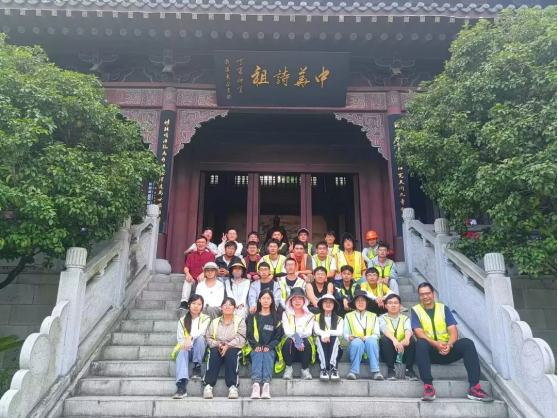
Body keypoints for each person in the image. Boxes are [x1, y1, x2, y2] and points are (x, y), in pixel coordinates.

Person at [412, 283, 494, 403]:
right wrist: (436, 344)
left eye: (427, 293)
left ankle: (474, 388)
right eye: (422, 294)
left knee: (467, 343)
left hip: (447, 350)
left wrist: (449, 345)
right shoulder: (416, 310)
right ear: (419, 296)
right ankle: (428, 387)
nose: (425, 297)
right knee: (420, 343)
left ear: (433, 294)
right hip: (429, 353)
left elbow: (453, 331)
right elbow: (418, 332)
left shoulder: (443, 308)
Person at [203, 298, 247, 400]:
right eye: (225, 304)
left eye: (230, 305)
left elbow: (241, 338)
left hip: (233, 347)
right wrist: (218, 344)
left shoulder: (240, 321)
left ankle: (232, 386)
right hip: (217, 346)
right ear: (221, 307)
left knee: (232, 354)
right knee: (213, 353)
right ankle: (208, 385)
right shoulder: (215, 322)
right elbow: (208, 337)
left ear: (234, 308)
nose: (227, 307)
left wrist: (228, 346)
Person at [246, 290, 284, 400]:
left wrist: (269, 346)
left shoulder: (276, 318)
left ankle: (266, 385)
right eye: (263, 298)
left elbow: (278, 337)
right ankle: (256, 385)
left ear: (272, 301)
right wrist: (256, 345)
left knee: (267, 354)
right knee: (258, 353)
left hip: (270, 349)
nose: (266, 301)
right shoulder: (253, 317)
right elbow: (249, 334)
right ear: (259, 300)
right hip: (255, 348)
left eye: (268, 298)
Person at [172, 295, 211, 399]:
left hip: (199, 349)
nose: (196, 306)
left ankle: (197, 366)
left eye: (199, 304)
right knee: (182, 352)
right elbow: (180, 339)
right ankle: (181, 385)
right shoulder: (182, 320)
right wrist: (185, 345)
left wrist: (190, 337)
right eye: (193, 303)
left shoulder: (206, 318)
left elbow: (202, 331)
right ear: (189, 304)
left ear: (202, 306)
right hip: (187, 348)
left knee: (200, 339)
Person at [344, 290, 383, 381]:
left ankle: (376, 371)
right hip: (354, 350)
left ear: (367, 303)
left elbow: (377, 335)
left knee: (371, 340)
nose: (360, 302)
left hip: (370, 352)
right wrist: (349, 337)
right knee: (357, 342)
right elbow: (344, 334)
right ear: (354, 303)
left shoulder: (373, 316)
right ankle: (353, 372)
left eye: (363, 300)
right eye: (358, 300)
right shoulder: (348, 316)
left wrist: (366, 338)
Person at [379, 294, 419, 381]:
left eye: (396, 303)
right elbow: (384, 329)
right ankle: (391, 369)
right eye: (390, 303)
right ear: (386, 306)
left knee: (411, 340)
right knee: (385, 340)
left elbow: (408, 329)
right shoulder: (382, 318)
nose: (393, 305)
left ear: (400, 306)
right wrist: (395, 341)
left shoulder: (405, 318)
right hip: (388, 351)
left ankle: (409, 369)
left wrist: (406, 339)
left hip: (402, 350)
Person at [280, 288, 316, 381]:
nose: (297, 301)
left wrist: (300, 340)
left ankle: (305, 370)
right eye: (294, 299)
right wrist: (297, 339)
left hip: (304, 345)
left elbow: (308, 331)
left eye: (300, 298)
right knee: (288, 342)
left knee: (306, 341)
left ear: (304, 300)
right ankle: (288, 368)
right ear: (290, 301)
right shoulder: (286, 314)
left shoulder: (310, 315)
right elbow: (287, 330)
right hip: (291, 344)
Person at [314, 294, 344, 381]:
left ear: (334, 305)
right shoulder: (316, 317)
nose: (328, 304)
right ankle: (323, 369)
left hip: (336, 349)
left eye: (331, 302)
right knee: (319, 338)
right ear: (321, 304)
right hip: (320, 348)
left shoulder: (339, 319)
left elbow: (339, 332)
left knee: (334, 338)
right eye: (325, 302)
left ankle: (334, 368)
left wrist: (328, 333)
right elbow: (316, 331)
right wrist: (324, 335)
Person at [181, 236, 215, 310]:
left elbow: (210, 267)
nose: (201, 244)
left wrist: (203, 274)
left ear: (206, 244)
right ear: (196, 244)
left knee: (202, 279)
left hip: (204, 278)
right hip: (193, 278)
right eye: (199, 242)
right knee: (187, 281)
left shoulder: (210, 255)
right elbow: (186, 267)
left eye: (203, 242)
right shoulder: (190, 256)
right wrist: (187, 274)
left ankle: (199, 302)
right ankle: (184, 302)